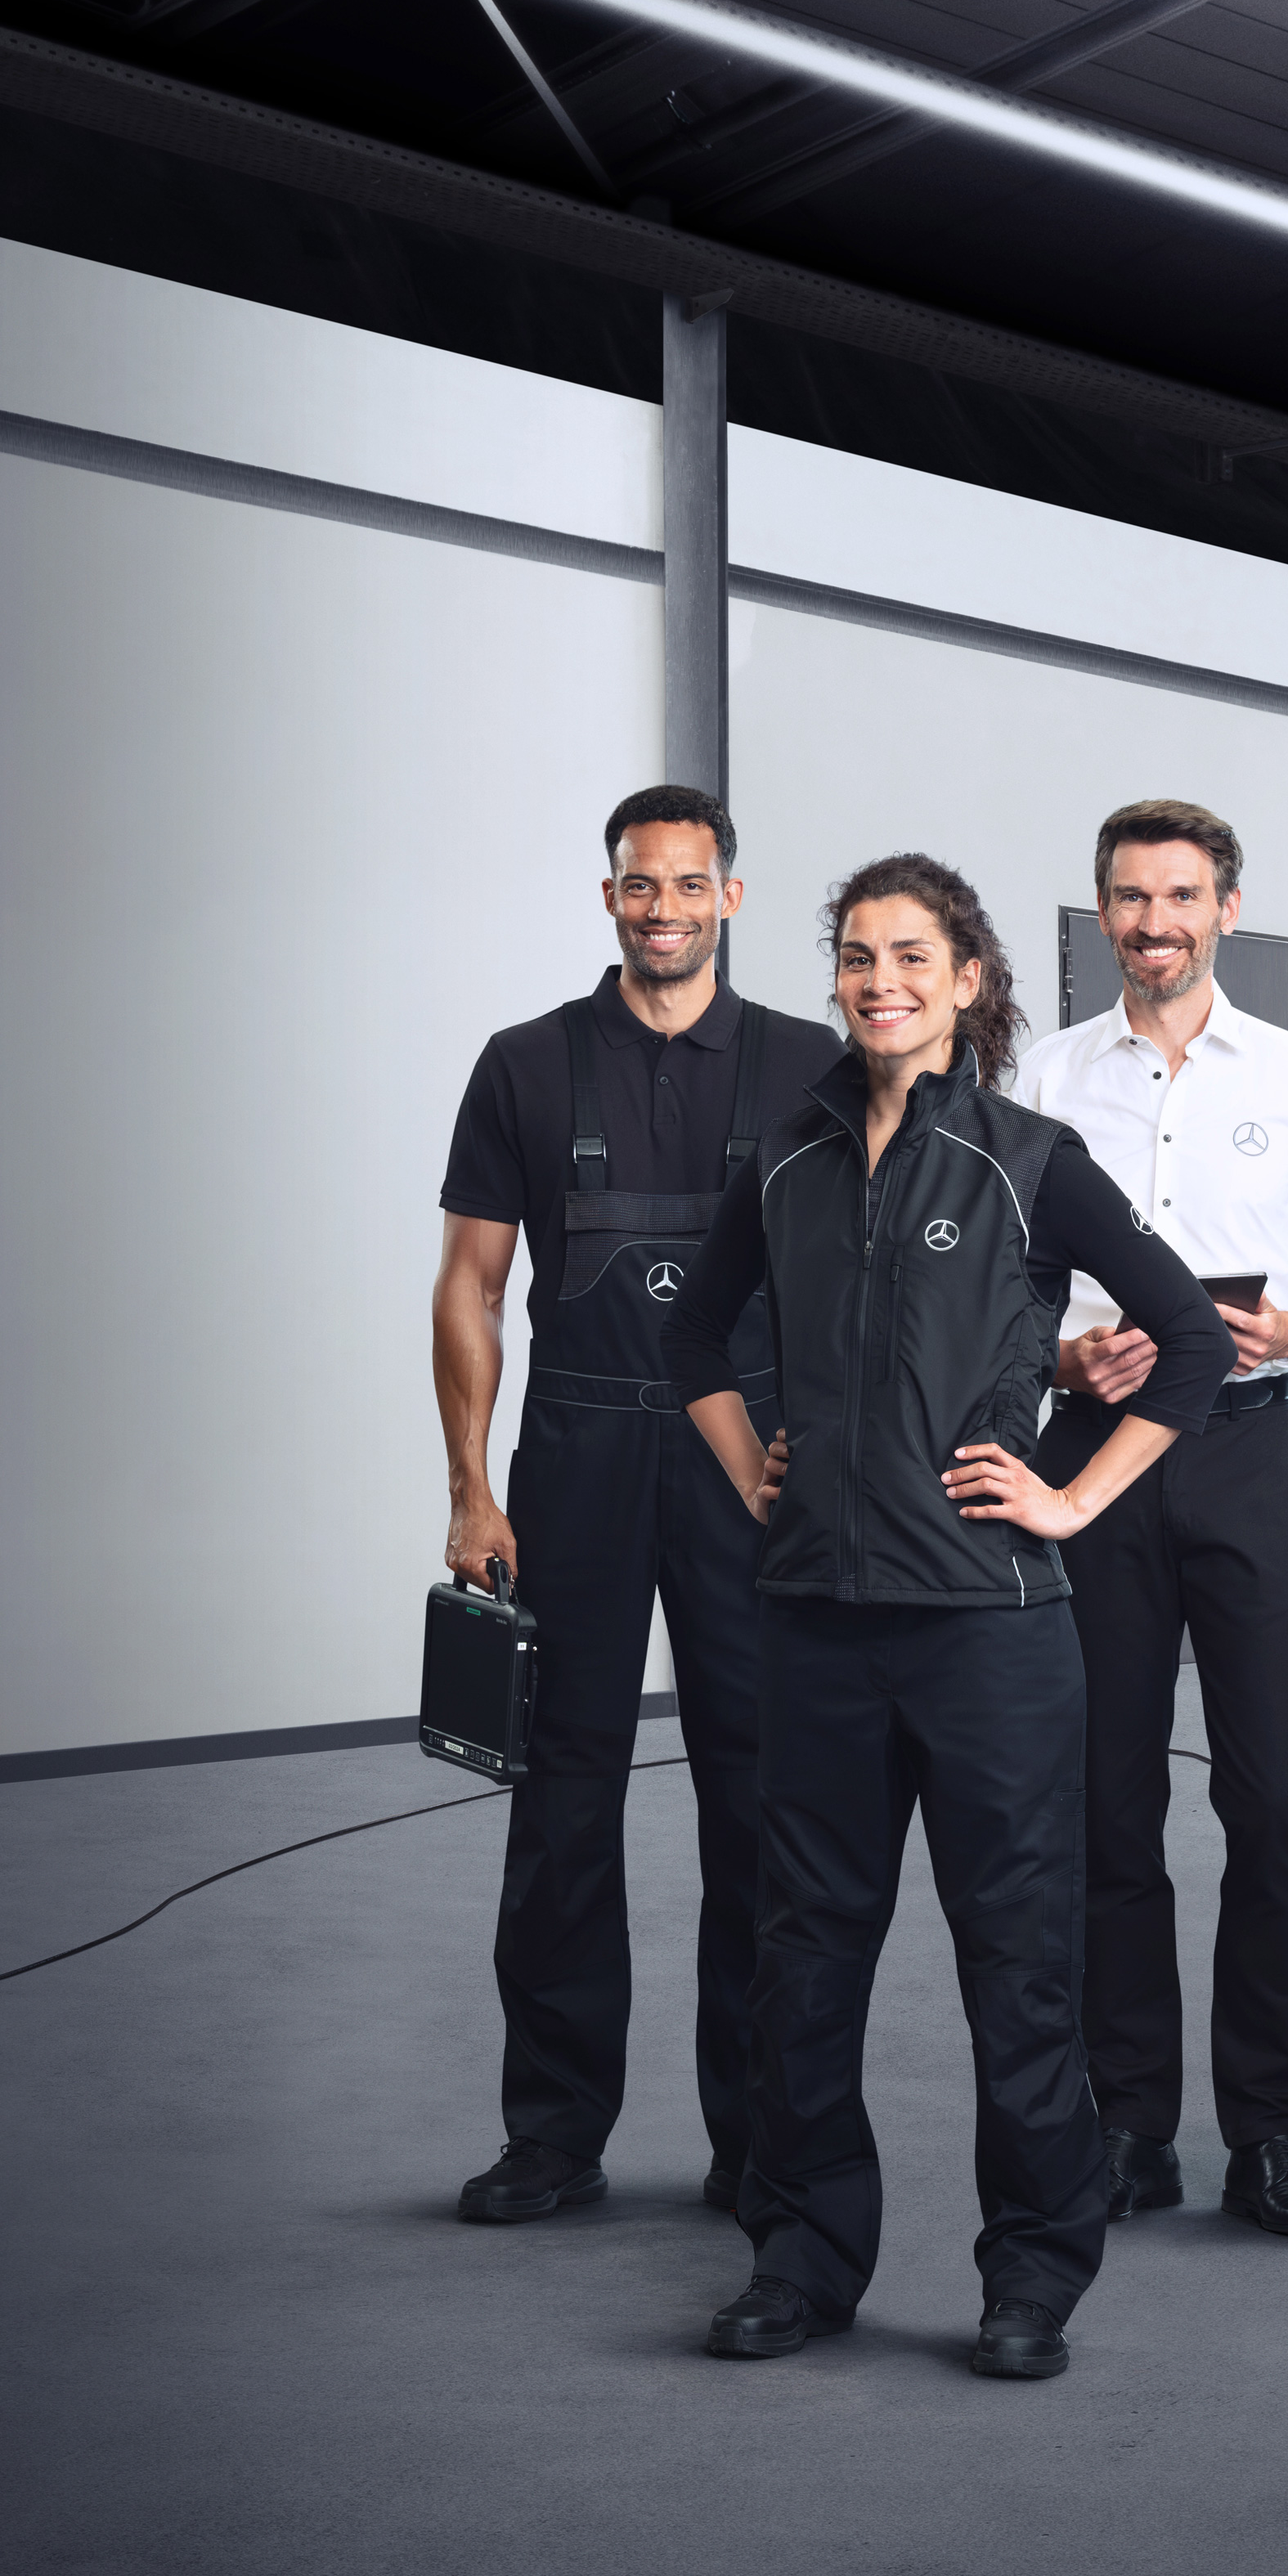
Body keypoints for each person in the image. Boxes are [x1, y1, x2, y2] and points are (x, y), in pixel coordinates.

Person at [662, 853, 1232, 2378]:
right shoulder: (785, 1159)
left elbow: (1187, 1340)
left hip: (989, 1633)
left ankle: (1031, 2276)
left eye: (912, 956)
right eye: (858, 957)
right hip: (815, 1625)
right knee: (803, 1961)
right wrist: (753, 1468)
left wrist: (1071, 1499)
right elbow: (692, 1338)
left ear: (967, 981)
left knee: (1017, 1966)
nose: (881, 982)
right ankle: (800, 2260)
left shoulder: (1028, 1159)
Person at [434, 785, 840, 2224]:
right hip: (579, 1460)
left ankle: (758, 2138)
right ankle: (552, 2134)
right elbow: (471, 1286)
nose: (662, 908)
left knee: (762, 1798)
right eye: (638, 884)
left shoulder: (810, 1065)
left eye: (687, 883)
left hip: (752, 1463)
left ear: (730, 895)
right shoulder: (524, 1064)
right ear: (609, 895)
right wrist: (471, 1489)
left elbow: (858, 1281)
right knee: (560, 1797)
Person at [1016, 799, 1288, 2241]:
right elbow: (1006, 1278)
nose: (1154, 923)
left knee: (1271, 1804)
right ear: (1102, 912)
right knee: (1106, 1801)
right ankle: (1128, 2126)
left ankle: (1273, 2136)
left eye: (1180, 896)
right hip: (1095, 1460)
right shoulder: (1048, 1076)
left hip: (1244, 1455)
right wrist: (1062, 1359)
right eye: (1130, 898)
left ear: (1226, 908)